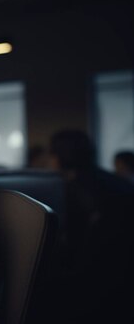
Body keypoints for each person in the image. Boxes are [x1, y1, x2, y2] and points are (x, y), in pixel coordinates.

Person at [44, 129, 133, 323]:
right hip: (122, 286)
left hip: (89, 288)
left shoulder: (74, 190)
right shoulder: (113, 182)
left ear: (59, 156)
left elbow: (72, 248)